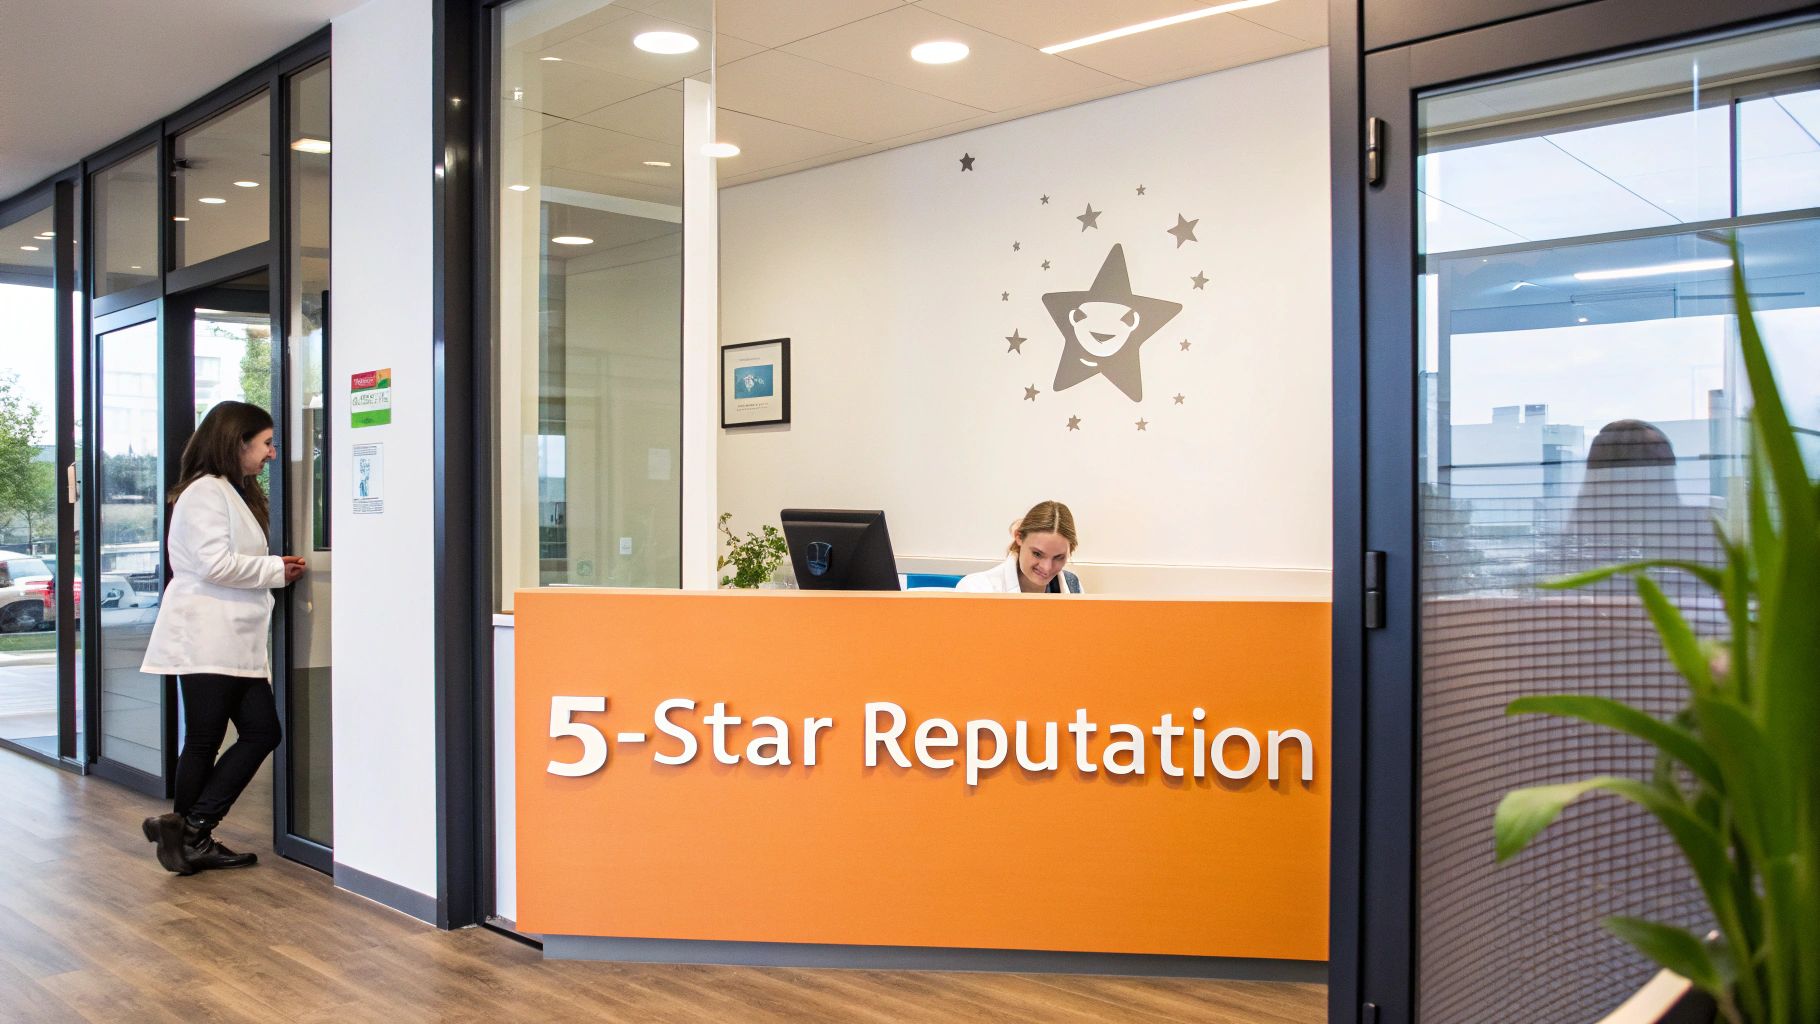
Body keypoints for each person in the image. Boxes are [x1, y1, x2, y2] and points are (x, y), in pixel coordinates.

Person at [139, 401, 306, 875]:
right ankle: (192, 833)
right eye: (266, 443)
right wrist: (276, 569)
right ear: (237, 443)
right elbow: (214, 564)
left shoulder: (229, 492)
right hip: (207, 636)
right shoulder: (205, 493)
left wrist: (273, 570)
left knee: (255, 732)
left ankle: (188, 830)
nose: (272, 453)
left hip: (229, 638)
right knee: (213, 738)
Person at [956, 500, 1084, 594]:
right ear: (1019, 537)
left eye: (1058, 557)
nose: (1047, 567)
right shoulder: (976, 589)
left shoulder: (1073, 586)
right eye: (1037, 554)